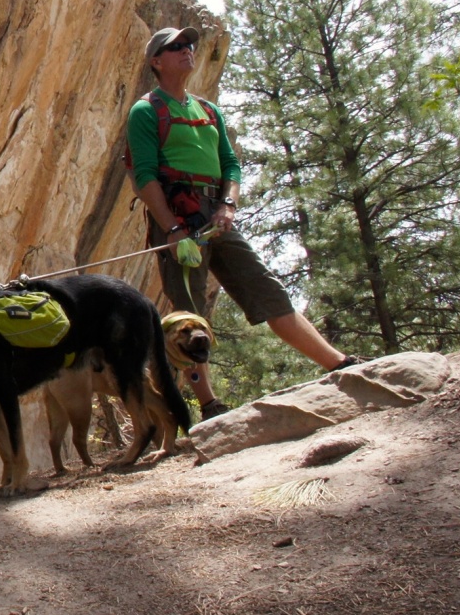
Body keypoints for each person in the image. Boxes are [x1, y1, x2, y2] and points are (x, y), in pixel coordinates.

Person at [127, 25, 361, 419]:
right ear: (156, 61)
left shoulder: (208, 110)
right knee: (189, 314)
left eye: (190, 45)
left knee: (264, 287)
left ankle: (338, 363)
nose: (188, 50)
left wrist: (228, 206)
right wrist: (171, 228)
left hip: (216, 218)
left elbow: (231, 164)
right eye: (176, 47)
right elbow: (145, 176)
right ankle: (209, 405)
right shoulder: (146, 111)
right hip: (180, 223)